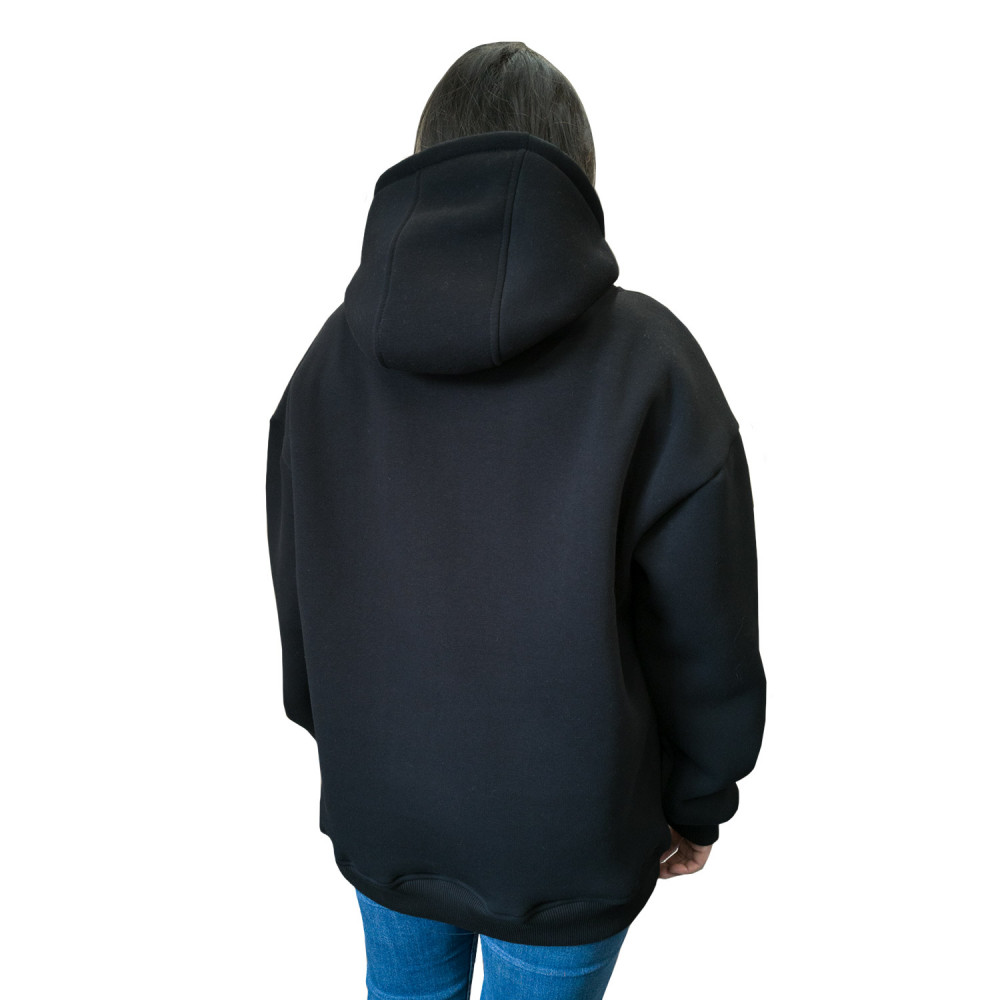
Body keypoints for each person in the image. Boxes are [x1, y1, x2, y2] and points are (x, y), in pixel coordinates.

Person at [266, 40, 767, 1000]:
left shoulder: (329, 362)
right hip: (569, 844)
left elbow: (300, 594)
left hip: (386, 815)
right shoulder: (651, 362)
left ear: (425, 157)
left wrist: (347, 743)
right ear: (580, 171)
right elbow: (704, 622)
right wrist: (700, 797)